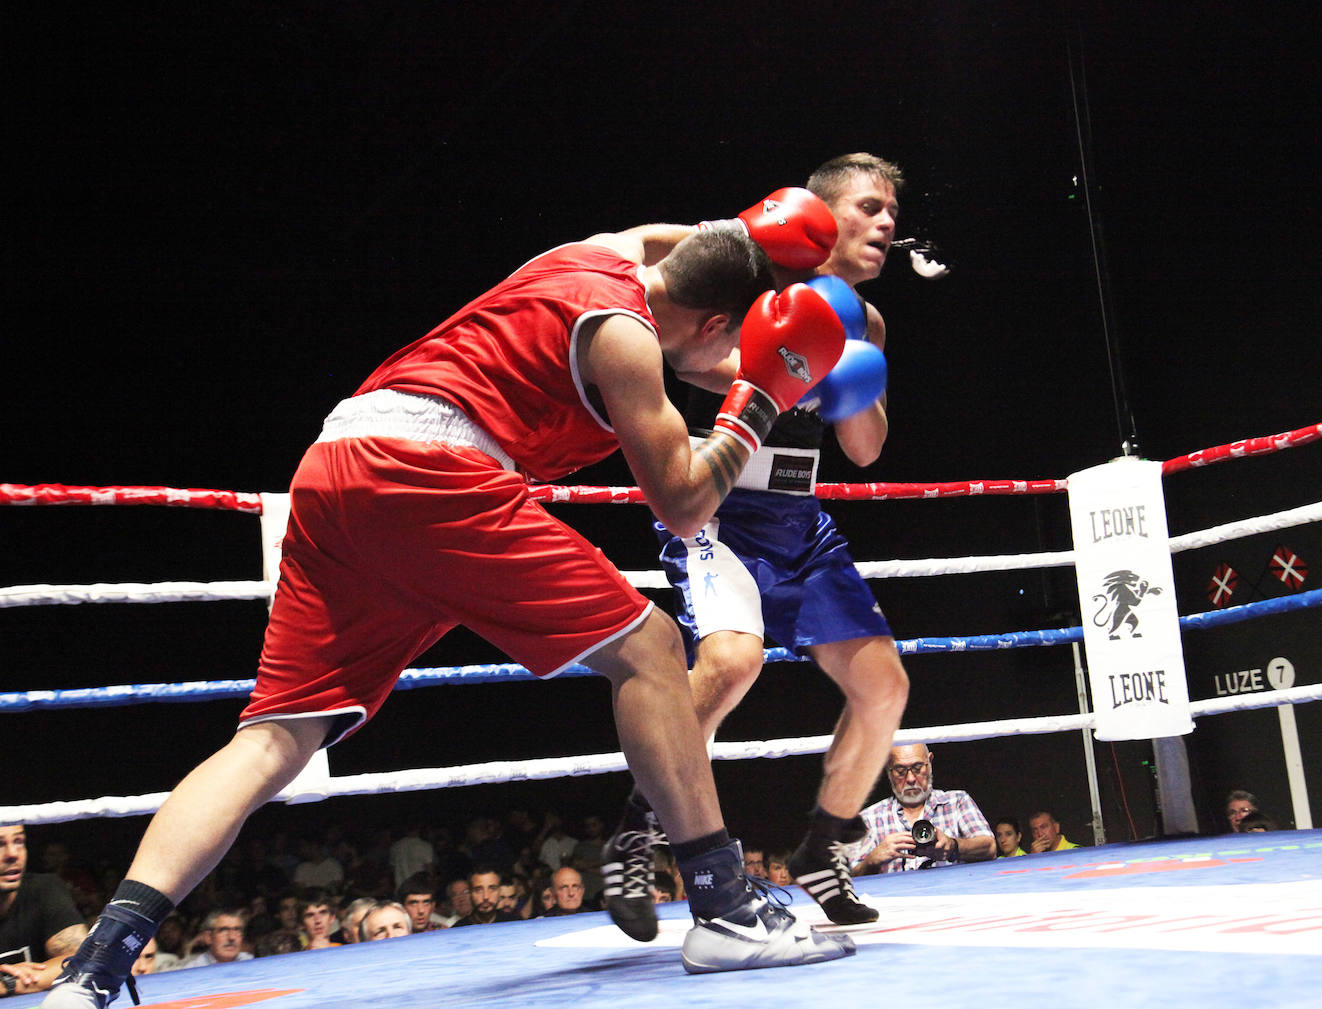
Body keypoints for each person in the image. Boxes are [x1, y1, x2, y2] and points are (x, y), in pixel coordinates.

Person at [44, 193, 857, 1007]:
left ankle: (96, 965)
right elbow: (682, 503)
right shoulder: (626, 341)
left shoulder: (594, 250)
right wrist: (757, 398)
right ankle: (723, 905)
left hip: (336, 462)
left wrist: (762, 249)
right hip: (430, 475)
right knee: (647, 645)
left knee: (274, 737)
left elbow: (672, 241)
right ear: (717, 323)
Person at [605, 153, 911, 934]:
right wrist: (790, 358)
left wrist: (856, 376)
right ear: (823, 211)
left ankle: (818, 846)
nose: (885, 226)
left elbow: (866, 448)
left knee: (884, 686)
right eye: (871, 208)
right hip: (724, 510)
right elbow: (687, 356)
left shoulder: (866, 321)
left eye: (892, 217)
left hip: (801, 521)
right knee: (732, 662)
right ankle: (638, 829)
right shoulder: (754, 280)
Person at [850, 744, 996, 874]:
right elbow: (846, 878)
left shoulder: (956, 802)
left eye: (918, 768)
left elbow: (990, 848)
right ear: (888, 770)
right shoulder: (869, 818)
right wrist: (872, 860)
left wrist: (953, 846)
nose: (911, 778)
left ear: (930, 762)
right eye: (900, 770)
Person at [1, 825, 87, 998]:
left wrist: (8, 983)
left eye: (19, 841)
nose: (12, 854)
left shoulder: (43, 890)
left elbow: (83, 962)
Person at [173, 910, 252, 970]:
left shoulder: (251, 963)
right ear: (208, 937)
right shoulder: (193, 970)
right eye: (223, 930)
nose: (232, 937)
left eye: (237, 930)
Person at [455, 868, 520, 926]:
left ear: (499, 891)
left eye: (492, 889)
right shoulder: (457, 930)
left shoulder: (515, 924)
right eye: (478, 890)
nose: (486, 897)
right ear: (470, 893)